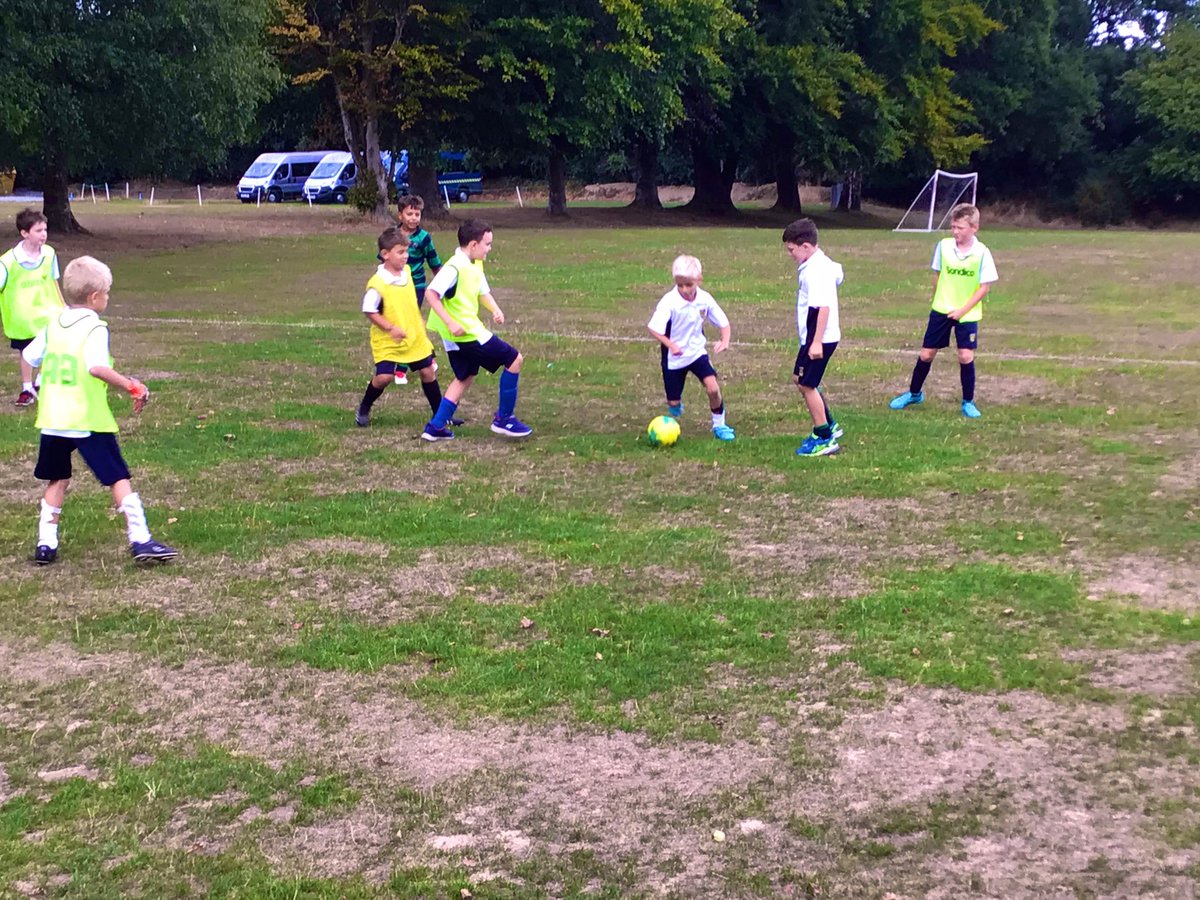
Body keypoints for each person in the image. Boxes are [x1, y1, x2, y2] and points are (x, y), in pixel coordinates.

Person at [22, 255, 177, 565]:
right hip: (86, 418)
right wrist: (131, 385)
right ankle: (141, 538)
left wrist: (32, 387)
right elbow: (96, 367)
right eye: (107, 292)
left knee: (58, 479)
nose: (108, 297)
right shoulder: (95, 327)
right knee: (118, 477)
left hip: (53, 419)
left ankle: (46, 543)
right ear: (95, 298)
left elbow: (29, 355)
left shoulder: (55, 324)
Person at [420, 219, 531, 442]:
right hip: (466, 332)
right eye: (487, 244)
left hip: (458, 333)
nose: (490, 248)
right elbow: (431, 293)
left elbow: (482, 291)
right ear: (473, 245)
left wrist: (495, 309)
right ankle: (504, 419)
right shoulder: (454, 267)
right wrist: (451, 322)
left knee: (465, 375)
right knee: (514, 359)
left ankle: (436, 427)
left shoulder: (474, 264)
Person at [889, 203, 998, 418]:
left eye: (960, 228)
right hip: (941, 309)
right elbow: (937, 275)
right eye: (954, 227)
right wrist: (937, 298)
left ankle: (968, 402)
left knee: (966, 356)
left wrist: (962, 310)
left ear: (974, 228)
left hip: (967, 313)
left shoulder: (982, 253)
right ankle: (914, 393)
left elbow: (984, 287)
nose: (955, 232)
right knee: (927, 354)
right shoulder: (944, 246)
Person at [355, 227, 462, 429]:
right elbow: (369, 310)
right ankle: (364, 407)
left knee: (428, 371)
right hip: (389, 339)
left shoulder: (407, 272)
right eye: (401, 252)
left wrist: (416, 320)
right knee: (384, 377)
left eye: (406, 251)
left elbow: (409, 301)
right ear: (385, 255)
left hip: (413, 335)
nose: (406, 257)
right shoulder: (378, 283)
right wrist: (390, 328)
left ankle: (441, 416)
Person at [646, 254, 735, 441]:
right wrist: (671, 345)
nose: (684, 289)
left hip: (696, 353)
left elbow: (724, 322)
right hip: (674, 358)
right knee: (673, 402)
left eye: (689, 285)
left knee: (712, 388)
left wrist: (725, 340)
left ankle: (720, 425)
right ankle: (675, 403)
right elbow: (654, 328)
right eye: (680, 285)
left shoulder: (705, 299)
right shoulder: (669, 302)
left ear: (699, 280)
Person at [783, 219, 844, 457]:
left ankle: (824, 437)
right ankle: (830, 425)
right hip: (812, 337)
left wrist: (816, 342)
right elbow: (838, 274)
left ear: (806, 246)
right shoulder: (821, 263)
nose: (790, 254)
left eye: (792, 249)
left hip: (820, 338)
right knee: (800, 379)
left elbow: (823, 308)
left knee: (807, 384)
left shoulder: (816, 271)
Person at [1, 208, 64, 407]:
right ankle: (26, 388)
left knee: (49, 349)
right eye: (38, 230)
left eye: (45, 229)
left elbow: (54, 281)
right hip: (23, 319)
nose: (43, 234)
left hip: (48, 314)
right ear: (24, 233)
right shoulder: (7, 262)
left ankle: (41, 383)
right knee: (27, 353)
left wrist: (63, 307)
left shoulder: (49, 253)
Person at [390, 194, 444, 385]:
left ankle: (401, 369)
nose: (413, 218)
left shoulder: (424, 237)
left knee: (407, 323)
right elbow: (384, 261)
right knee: (409, 322)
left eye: (417, 214)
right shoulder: (392, 236)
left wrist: (444, 284)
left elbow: (434, 262)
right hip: (395, 287)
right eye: (409, 214)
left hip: (416, 286)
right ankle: (429, 357)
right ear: (400, 216)